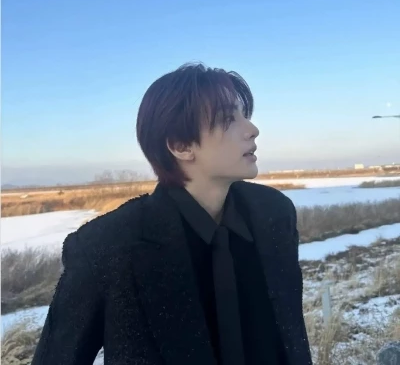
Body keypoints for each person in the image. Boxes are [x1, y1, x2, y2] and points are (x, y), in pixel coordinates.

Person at [32, 63, 312, 365]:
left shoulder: (274, 214)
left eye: (245, 115)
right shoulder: (107, 247)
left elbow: (291, 335)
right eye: (228, 118)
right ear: (181, 146)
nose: (252, 129)